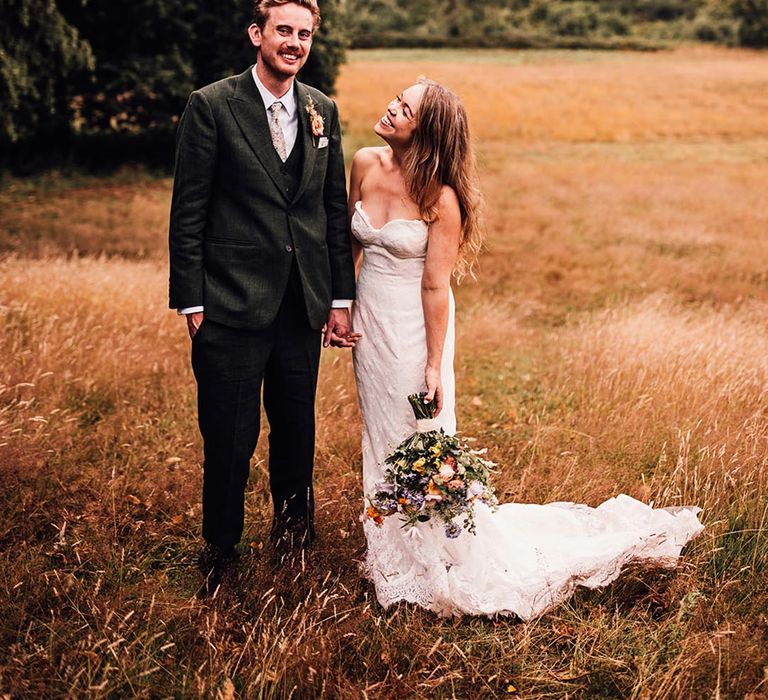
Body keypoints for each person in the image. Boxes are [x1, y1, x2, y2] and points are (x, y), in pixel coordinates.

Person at [349, 79, 704, 618]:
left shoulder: (440, 198)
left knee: (418, 435)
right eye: (397, 99)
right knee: (379, 435)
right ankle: (390, 551)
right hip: (369, 326)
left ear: (428, 130)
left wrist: (431, 363)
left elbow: (434, 286)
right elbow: (351, 244)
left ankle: (437, 559)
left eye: (405, 108)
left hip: (414, 331)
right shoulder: (364, 163)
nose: (390, 109)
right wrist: (340, 307)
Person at [168, 0, 356, 587]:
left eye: (304, 33)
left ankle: (295, 538)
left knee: (297, 429)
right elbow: (189, 208)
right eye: (283, 31)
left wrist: (339, 299)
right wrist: (193, 304)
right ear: (257, 34)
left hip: (302, 305)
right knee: (230, 436)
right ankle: (221, 552)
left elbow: (329, 210)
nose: (294, 42)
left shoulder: (322, 109)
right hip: (229, 306)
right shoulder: (212, 105)